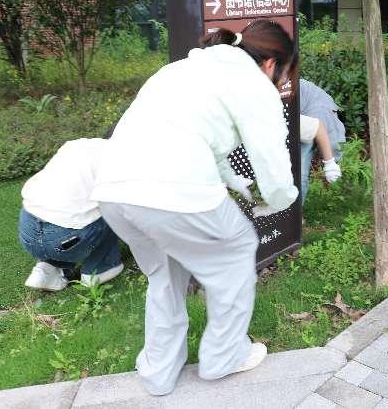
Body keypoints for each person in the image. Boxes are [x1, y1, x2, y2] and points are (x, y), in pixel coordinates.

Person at [91, 20, 298, 396]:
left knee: (165, 274)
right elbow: (272, 161)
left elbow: (200, 139)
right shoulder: (254, 84)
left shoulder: (182, 69)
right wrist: (280, 198)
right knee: (236, 250)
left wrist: (235, 182)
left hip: (113, 189)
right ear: (271, 64)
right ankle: (225, 357)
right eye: (282, 75)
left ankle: (158, 372)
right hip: (173, 189)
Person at [18, 138, 124, 291]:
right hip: (66, 238)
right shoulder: (119, 159)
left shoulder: (76, 144)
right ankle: (99, 269)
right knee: (113, 208)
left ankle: (48, 268)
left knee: (71, 212)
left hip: (28, 231)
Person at [298, 78, 345, 203]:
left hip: (314, 111)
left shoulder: (313, 119)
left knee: (299, 174)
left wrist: (330, 163)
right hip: (299, 110)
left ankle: (294, 212)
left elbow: (319, 128)